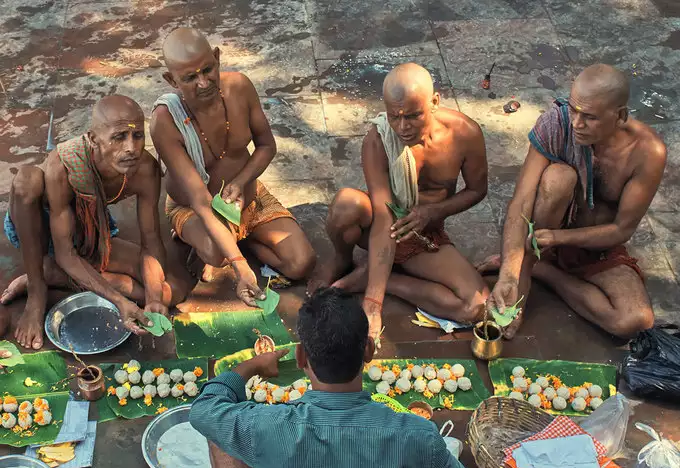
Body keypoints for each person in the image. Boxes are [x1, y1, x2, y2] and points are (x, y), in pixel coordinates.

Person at [190, 287, 482, 468]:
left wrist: (251, 366)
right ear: (368, 350)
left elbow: (204, 410)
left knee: (220, 430)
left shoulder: (268, 425)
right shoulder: (417, 437)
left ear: (301, 357)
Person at [481, 64, 665, 339]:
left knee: (636, 321)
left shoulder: (648, 152)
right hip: (542, 235)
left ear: (620, 116)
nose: (576, 124)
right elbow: (521, 201)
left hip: (591, 246)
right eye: (574, 110)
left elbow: (621, 230)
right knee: (558, 177)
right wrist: (510, 273)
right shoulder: (556, 123)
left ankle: (545, 271)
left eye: (589, 117)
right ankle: (529, 265)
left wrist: (558, 238)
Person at [309, 63, 490, 341]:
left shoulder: (465, 134)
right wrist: (373, 304)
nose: (403, 128)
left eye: (414, 116)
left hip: (423, 234)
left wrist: (433, 212)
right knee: (347, 204)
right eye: (395, 117)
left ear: (435, 101)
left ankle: (381, 277)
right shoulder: (378, 139)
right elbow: (384, 216)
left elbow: (477, 190)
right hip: (383, 226)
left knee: (476, 307)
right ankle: (343, 260)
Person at [1, 95, 189, 349]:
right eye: (119, 137)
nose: (131, 148)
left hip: (88, 233)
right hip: (39, 232)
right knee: (28, 179)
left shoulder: (145, 169)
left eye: (137, 136)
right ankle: (36, 288)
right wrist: (120, 301)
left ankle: (51, 275)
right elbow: (66, 254)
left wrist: (154, 298)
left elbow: (151, 240)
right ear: (93, 139)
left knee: (171, 292)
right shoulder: (64, 166)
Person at [150, 27, 315, 307]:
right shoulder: (165, 121)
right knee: (217, 253)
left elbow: (266, 146)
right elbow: (201, 201)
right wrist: (241, 267)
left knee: (302, 263)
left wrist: (240, 182)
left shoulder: (240, 87)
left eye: (207, 70)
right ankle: (225, 245)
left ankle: (241, 239)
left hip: (249, 198)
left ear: (217, 58)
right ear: (171, 80)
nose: (203, 83)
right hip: (193, 207)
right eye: (190, 78)